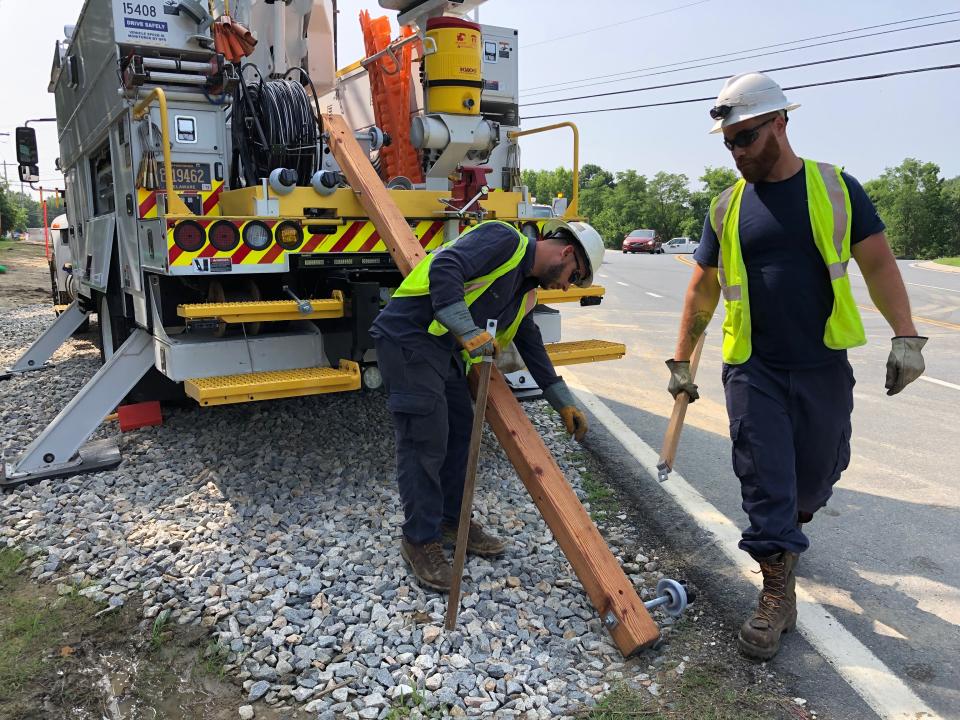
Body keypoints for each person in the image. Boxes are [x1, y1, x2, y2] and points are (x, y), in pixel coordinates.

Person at [666, 71, 928, 660]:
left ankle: (792, 521)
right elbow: (702, 289)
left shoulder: (837, 189)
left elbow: (880, 265)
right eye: (728, 142)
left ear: (780, 123)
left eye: (746, 138)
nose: (736, 153)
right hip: (753, 367)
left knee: (817, 471)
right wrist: (681, 360)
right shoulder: (726, 206)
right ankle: (776, 590)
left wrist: (906, 337)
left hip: (820, 365)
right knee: (765, 479)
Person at [370, 218, 605, 592]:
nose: (565, 285)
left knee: (461, 433)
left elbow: (530, 342)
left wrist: (561, 400)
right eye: (573, 276)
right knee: (425, 440)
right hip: (409, 337)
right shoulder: (503, 239)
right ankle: (419, 539)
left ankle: (450, 521)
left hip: (441, 351)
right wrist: (466, 329)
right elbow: (446, 267)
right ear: (566, 252)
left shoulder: (525, 293)